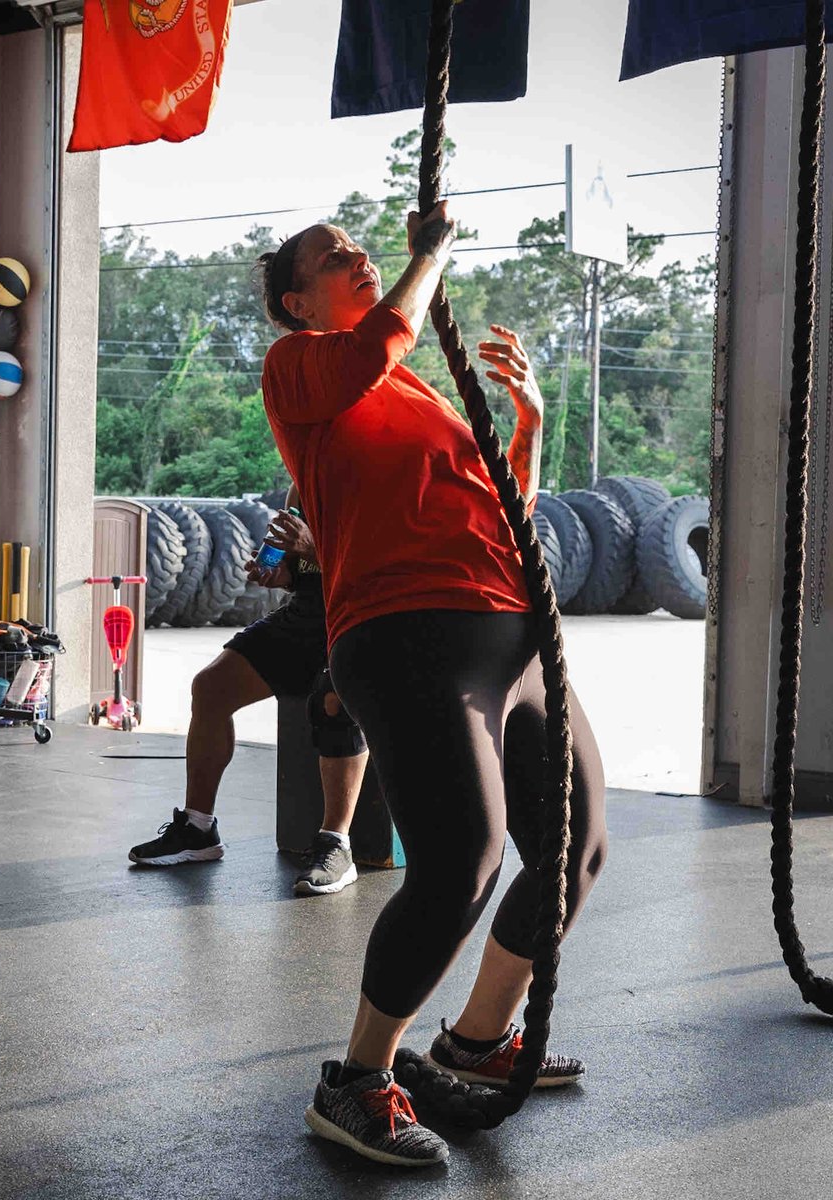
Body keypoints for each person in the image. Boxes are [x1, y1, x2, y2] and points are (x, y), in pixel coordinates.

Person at [257, 203, 608, 1166]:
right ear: (297, 302)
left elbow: (504, 509)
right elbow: (374, 344)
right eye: (335, 257)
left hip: (515, 636)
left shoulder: (417, 392)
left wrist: (527, 427)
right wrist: (429, 257)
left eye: (363, 248)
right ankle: (358, 1078)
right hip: (407, 631)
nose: (358, 255)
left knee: (573, 848)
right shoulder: (305, 372)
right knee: (461, 857)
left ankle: (477, 1042)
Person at [128, 496, 368, 897]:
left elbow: (383, 572)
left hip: (363, 614)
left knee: (335, 697)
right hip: (307, 615)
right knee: (210, 688)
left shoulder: (372, 480)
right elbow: (305, 574)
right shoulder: (301, 487)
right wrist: (283, 574)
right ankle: (198, 829)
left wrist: (314, 548)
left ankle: (336, 844)